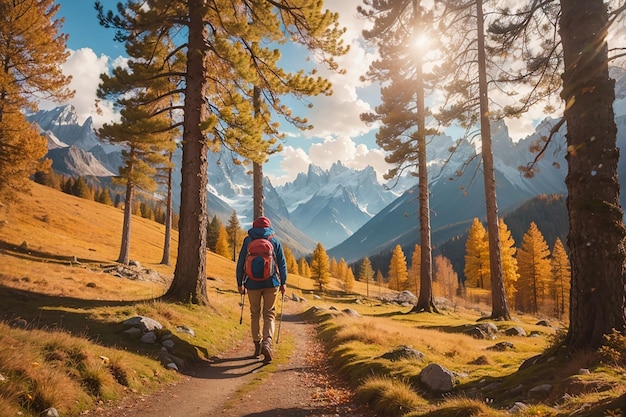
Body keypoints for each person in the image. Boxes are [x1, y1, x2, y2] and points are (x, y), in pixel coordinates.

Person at [236, 216, 287, 362]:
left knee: (255, 314)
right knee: (269, 314)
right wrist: (283, 283)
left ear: (254, 227)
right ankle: (267, 343)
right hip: (272, 283)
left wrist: (240, 283)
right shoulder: (274, 241)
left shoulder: (248, 241)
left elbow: (241, 263)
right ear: (268, 227)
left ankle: (257, 345)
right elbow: (282, 264)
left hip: (252, 283)